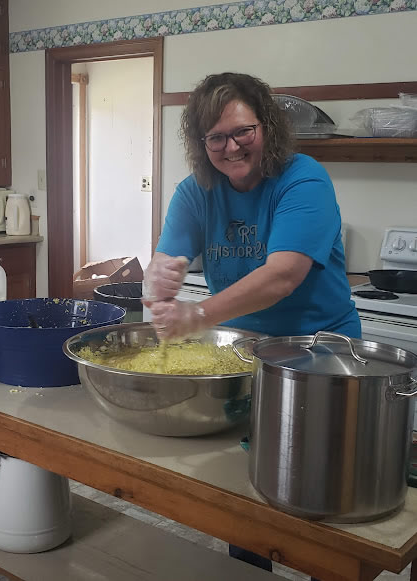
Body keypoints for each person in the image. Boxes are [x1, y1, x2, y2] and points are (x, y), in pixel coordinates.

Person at [142, 72, 361, 579]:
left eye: (243, 131)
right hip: (244, 354)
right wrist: (158, 280)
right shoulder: (195, 192)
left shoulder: (303, 178)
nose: (231, 146)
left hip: (322, 354)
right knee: (244, 486)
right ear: (201, 144)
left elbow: (282, 275)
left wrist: (196, 314)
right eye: (215, 137)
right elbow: (166, 260)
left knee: (320, 491)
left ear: (267, 126)